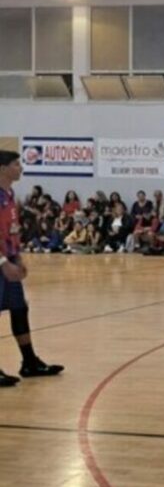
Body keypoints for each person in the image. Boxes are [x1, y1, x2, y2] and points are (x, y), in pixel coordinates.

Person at [0, 150, 64, 387]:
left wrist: (17, 257)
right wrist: (2, 262)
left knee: (19, 308)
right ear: (3, 168)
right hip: (1, 262)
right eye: (16, 164)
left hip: (9, 258)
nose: (21, 168)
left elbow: (11, 230)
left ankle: (30, 362)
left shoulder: (9, 194)